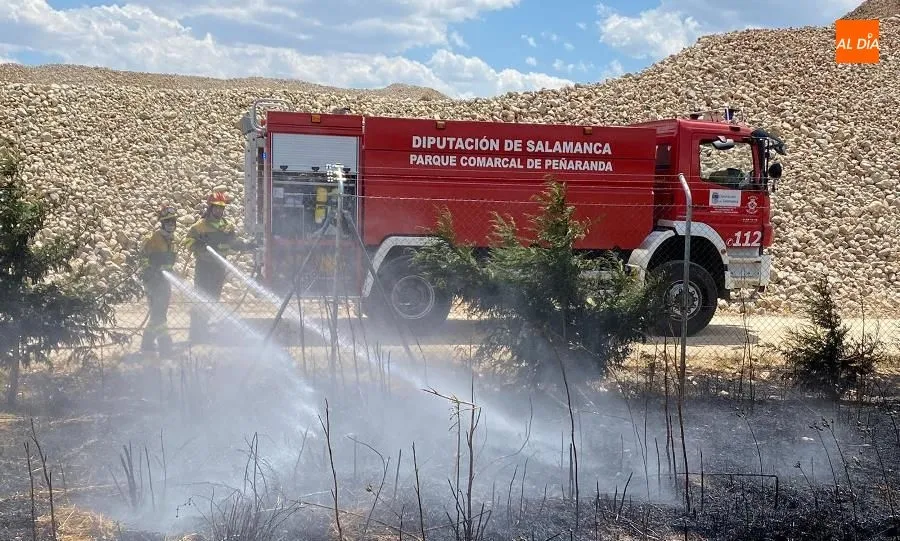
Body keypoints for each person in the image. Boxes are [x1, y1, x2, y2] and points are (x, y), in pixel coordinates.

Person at [182, 188, 254, 342]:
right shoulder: (199, 226)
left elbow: (234, 243)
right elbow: (187, 242)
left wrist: (247, 245)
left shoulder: (227, 226)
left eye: (221, 208)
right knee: (201, 299)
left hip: (219, 268)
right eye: (216, 208)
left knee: (213, 299)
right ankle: (196, 334)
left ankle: (203, 332)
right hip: (204, 267)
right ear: (210, 208)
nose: (219, 211)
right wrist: (200, 246)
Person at [140, 204, 178, 356]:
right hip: (154, 282)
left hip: (164, 281)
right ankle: (165, 346)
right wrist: (151, 271)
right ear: (162, 223)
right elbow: (143, 258)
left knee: (157, 314)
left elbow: (167, 263)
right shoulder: (155, 239)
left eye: (173, 221)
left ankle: (147, 344)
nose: (171, 224)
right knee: (160, 316)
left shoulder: (171, 239)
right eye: (168, 222)